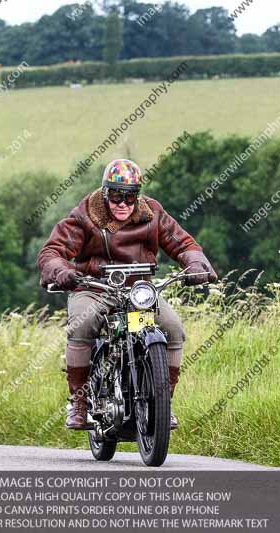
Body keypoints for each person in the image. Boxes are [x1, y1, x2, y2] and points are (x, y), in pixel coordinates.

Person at [37, 159, 217, 430]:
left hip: (138, 293)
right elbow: (53, 251)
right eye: (116, 196)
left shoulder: (152, 212)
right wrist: (61, 271)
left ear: (138, 195)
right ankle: (79, 404)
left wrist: (195, 263)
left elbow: (182, 242)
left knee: (173, 329)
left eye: (130, 196)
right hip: (95, 288)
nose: (123, 203)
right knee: (82, 324)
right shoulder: (86, 214)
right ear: (105, 192)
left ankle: (162, 404)